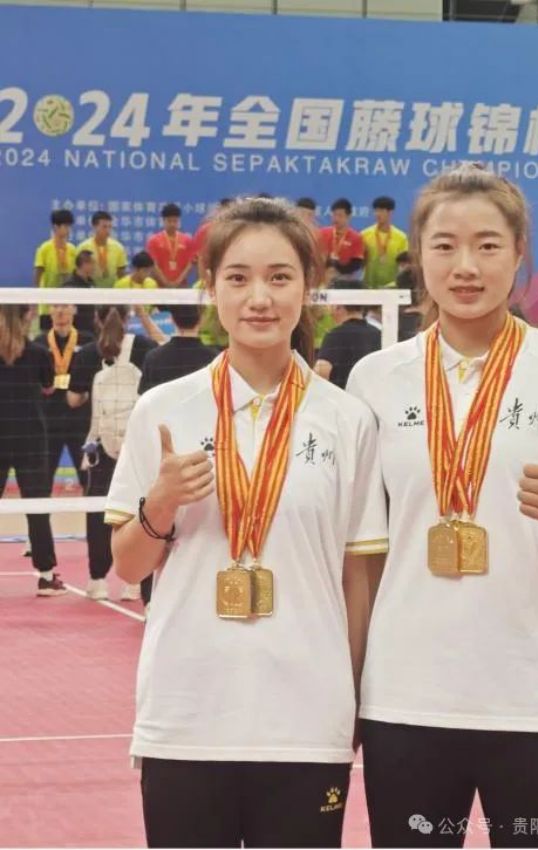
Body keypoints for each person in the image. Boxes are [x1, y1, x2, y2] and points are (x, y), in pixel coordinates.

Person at [105, 197, 388, 849]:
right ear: (211, 287)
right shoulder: (163, 410)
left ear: (309, 286)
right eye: (238, 277)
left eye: (279, 277)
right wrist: (160, 504)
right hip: (186, 713)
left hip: (306, 718)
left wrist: (347, 698)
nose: (259, 297)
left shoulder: (347, 420)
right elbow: (127, 564)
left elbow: (358, 578)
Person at [348, 164, 538, 849]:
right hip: (406, 697)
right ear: (418, 256)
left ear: (519, 255)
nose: (466, 266)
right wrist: (349, 688)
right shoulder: (375, 378)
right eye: (445, 245)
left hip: (534, 695)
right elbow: (363, 561)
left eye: (488, 245)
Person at [67, 306, 156, 601]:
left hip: (101, 448)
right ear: (128, 319)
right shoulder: (145, 348)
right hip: (137, 444)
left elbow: (73, 399)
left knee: (99, 510)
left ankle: (97, 580)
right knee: (138, 510)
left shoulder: (87, 354)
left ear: (96, 319)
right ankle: (135, 582)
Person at [137, 304, 216, 611]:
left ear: (171, 319)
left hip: (164, 452)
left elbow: (143, 405)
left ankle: (149, 599)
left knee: (155, 522)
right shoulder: (214, 359)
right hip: (206, 453)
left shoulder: (155, 358)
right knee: (201, 526)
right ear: (203, 317)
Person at [0, 306, 64, 596]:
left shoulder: (38, 351)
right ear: (27, 317)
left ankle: (47, 576)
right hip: (31, 439)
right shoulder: (38, 353)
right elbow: (49, 388)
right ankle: (46, 577)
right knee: (37, 509)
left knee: (38, 508)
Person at [34, 304, 94, 491]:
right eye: (56, 306)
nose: (60, 311)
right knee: (42, 480)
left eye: (65, 306)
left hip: (81, 420)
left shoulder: (88, 341)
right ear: (50, 311)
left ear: (74, 309)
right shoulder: (39, 343)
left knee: (88, 478)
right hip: (48, 421)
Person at [314, 279, 381, 389]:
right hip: (370, 396)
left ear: (337, 305)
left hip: (340, 396)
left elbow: (321, 372)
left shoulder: (335, 336)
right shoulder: (378, 334)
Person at [34, 209, 77, 331]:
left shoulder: (72, 249)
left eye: (69, 226)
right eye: (65, 226)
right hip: (48, 303)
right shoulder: (44, 248)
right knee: (46, 335)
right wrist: (36, 296)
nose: (68, 230)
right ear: (55, 227)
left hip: (67, 302)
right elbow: (38, 273)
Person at [361, 197, 409, 289]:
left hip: (393, 288)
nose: (377, 214)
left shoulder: (401, 237)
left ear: (390, 212)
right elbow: (361, 262)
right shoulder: (365, 234)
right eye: (376, 211)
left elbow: (404, 265)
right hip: (369, 287)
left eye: (381, 211)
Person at [146, 203, 194, 289]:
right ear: (163, 221)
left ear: (179, 221)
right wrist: (165, 282)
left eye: (175, 221)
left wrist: (178, 282)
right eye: (169, 221)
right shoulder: (154, 240)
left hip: (181, 286)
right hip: (159, 286)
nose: (172, 224)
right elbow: (153, 264)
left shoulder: (187, 240)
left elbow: (190, 264)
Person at [77, 211, 127, 288]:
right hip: (90, 290)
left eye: (110, 227)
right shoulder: (83, 247)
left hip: (113, 290)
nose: (108, 230)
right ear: (94, 227)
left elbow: (121, 274)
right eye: (104, 227)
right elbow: (79, 274)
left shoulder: (118, 247)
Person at [319, 198, 364, 282]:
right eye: (334, 215)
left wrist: (337, 267)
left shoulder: (356, 237)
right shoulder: (322, 233)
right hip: (323, 278)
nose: (336, 219)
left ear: (349, 217)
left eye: (340, 215)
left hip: (345, 280)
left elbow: (356, 264)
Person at [62, 250, 97, 336]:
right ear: (84, 264)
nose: (95, 266)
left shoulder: (91, 283)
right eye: (92, 263)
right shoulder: (69, 285)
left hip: (91, 330)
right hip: (76, 331)